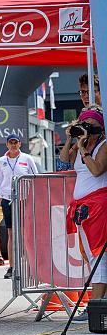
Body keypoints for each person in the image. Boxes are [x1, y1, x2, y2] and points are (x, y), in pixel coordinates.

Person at [63, 108, 107, 321]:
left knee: (99, 256)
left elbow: (97, 170)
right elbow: (64, 160)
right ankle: (98, 303)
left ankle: (95, 306)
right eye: (82, 123)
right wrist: (70, 140)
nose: (85, 127)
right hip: (83, 209)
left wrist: (84, 151)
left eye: (89, 123)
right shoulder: (81, 145)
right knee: (90, 255)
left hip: (98, 208)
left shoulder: (103, 145)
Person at [0, 133, 38, 280]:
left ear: (20, 144)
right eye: (11, 143)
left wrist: (32, 196)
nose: (13, 145)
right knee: (11, 233)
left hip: (23, 198)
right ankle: (12, 267)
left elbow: (35, 177)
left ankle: (29, 266)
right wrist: (0, 197)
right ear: (7, 144)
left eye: (16, 142)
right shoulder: (2, 160)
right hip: (8, 199)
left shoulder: (27, 158)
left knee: (24, 232)